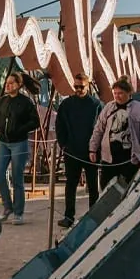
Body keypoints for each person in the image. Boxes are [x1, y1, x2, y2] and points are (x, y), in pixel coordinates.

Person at [90, 78, 140, 193]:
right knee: (107, 188)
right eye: (115, 93)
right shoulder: (108, 108)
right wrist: (92, 149)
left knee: (129, 189)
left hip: (130, 158)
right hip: (109, 158)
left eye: (120, 93)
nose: (117, 96)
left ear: (128, 93)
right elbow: (98, 129)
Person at [53, 73, 100, 228]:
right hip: (72, 151)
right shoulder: (66, 105)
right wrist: (63, 145)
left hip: (91, 152)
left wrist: (96, 148)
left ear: (88, 86)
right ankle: (69, 216)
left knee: (93, 185)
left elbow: (101, 128)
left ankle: (94, 216)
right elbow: (59, 126)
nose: (78, 89)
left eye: (81, 86)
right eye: (76, 87)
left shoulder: (96, 105)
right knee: (71, 184)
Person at [0, 72, 37, 225]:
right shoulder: (1, 101)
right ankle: (7, 207)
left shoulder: (26, 102)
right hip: (3, 142)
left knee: (17, 178)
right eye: (7, 83)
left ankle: (18, 212)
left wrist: (20, 129)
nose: (8, 85)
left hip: (19, 143)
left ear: (18, 85)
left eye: (11, 83)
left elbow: (35, 121)